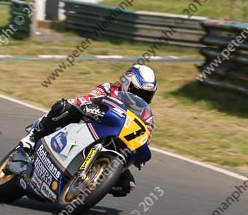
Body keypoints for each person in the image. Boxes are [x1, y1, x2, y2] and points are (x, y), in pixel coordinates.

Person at [18, 64, 157, 196]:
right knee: (62, 107)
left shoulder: (147, 116)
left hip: (115, 146)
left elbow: (145, 137)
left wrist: (140, 154)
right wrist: (86, 105)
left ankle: (89, 183)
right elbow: (87, 99)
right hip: (88, 125)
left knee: (127, 185)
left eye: (147, 95)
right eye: (139, 92)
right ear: (128, 84)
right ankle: (31, 138)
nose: (141, 98)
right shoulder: (109, 89)